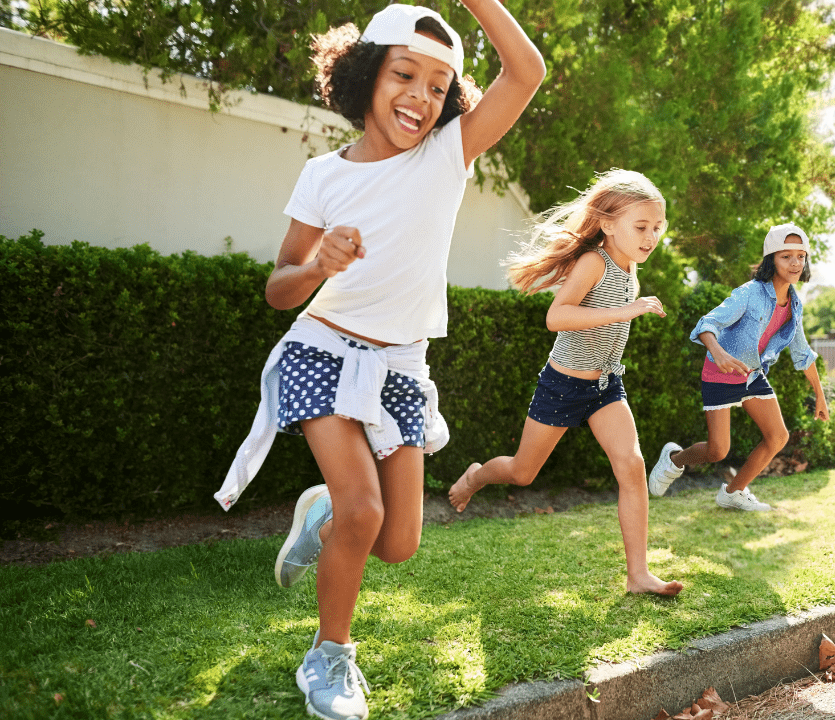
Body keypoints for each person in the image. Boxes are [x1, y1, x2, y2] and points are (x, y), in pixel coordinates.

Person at [212, 3, 544, 718]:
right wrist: (317, 265)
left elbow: (527, 72)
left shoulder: (448, 154)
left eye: (437, 86)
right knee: (367, 512)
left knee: (396, 542)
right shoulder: (322, 176)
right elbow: (279, 289)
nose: (420, 98)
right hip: (322, 347)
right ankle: (329, 660)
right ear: (365, 73)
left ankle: (320, 517)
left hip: (400, 367)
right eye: (404, 74)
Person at [445, 169, 683, 596]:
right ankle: (477, 476)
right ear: (608, 224)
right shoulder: (595, 262)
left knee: (631, 465)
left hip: (605, 387)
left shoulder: (630, 266)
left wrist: (628, 310)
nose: (651, 237)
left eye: (657, 228)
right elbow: (557, 316)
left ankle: (638, 575)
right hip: (563, 386)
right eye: (641, 227)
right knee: (522, 472)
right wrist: (626, 311)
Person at [647, 224, 829, 511]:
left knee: (778, 436)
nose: (795, 263)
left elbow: (802, 352)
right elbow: (707, 324)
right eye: (786, 257)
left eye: (801, 256)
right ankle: (674, 460)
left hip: (753, 375)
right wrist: (718, 353)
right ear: (772, 259)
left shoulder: (794, 305)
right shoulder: (749, 293)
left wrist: (820, 395)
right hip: (721, 373)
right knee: (718, 450)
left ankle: (733, 492)